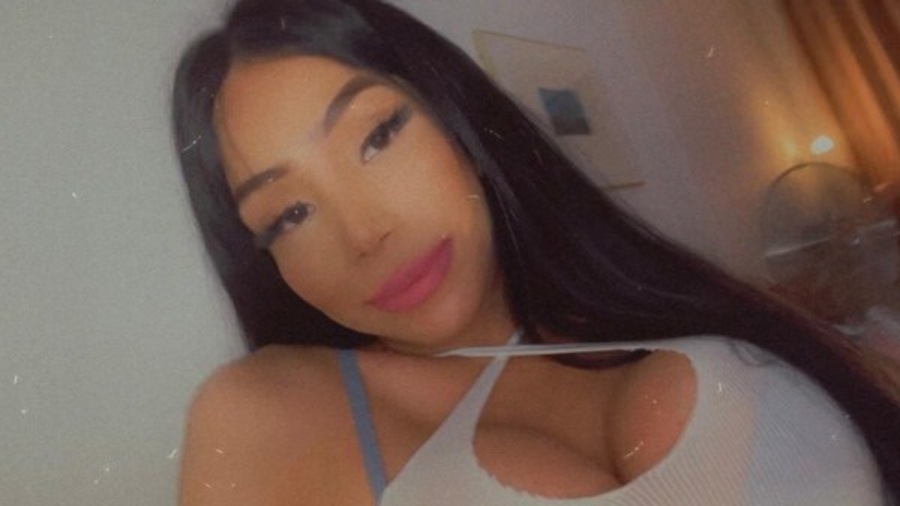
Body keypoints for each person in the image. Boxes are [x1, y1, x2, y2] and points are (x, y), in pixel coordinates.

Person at [171, 0, 900, 504]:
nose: (364, 235)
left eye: (378, 136)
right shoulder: (266, 413)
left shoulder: (650, 295)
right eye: (290, 214)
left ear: (454, 117)